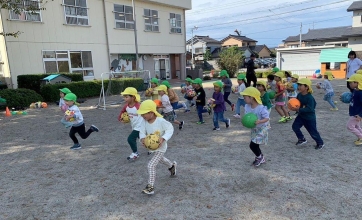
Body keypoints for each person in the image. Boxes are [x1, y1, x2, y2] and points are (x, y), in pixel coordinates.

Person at [137, 100, 177, 195]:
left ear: (151, 112)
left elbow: (170, 129)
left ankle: (150, 187)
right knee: (160, 159)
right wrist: (142, 139)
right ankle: (172, 166)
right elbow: (141, 132)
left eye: (144, 114)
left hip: (161, 147)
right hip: (152, 147)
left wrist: (163, 138)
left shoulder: (160, 121)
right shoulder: (144, 122)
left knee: (151, 165)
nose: (142, 116)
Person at [290, 78, 324, 150]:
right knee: (295, 127)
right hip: (301, 116)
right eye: (298, 85)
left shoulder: (309, 98)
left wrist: (299, 109)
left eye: (301, 85)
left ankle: (320, 143)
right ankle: (302, 139)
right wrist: (293, 108)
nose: (298, 87)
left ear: (306, 87)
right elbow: (297, 104)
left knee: (313, 132)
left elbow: (310, 109)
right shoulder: (299, 95)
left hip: (309, 118)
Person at [240, 87, 270, 167]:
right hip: (254, 129)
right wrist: (245, 122)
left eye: (245, 97)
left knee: (252, 145)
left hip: (262, 128)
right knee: (255, 145)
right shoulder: (247, 106)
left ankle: (260, 157)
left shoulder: (261, 108)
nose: (244, 99)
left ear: (251, 97)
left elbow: (267, 118)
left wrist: (260, 121)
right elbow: (247, 116)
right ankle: (260, 157)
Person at [118, 87, 144, 160]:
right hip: (134, 126)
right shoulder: (126, 106)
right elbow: (122, 112)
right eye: (124, 97)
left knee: (130, 139)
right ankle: (151, 148)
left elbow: (145, 113)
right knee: (143, 140)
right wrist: (120, 118)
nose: (125, 99)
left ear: (133, 97)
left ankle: (135, 153)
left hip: (140, 126)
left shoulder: (138, 106)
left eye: (126, 97)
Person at [346, 74, 362, 146]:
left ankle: (361, 137)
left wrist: (360, 115)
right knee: (357, 127)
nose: (349, 84)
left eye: (351, 82)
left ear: (357, 83)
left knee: (350, 126)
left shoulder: (360, 93)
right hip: (354, 112)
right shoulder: (355, 91)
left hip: (357, 114)